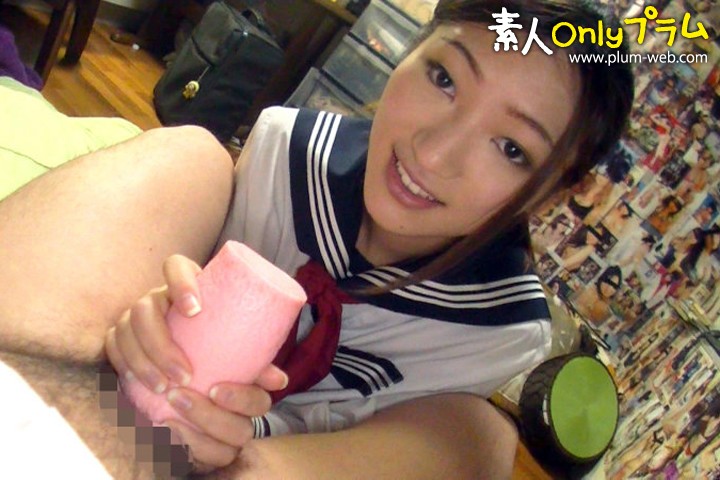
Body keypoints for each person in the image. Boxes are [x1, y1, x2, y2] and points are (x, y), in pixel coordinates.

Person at [0, 0, 634, 478]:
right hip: (106, 377)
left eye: (512, 148)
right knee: (191, 157)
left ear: (555, 192)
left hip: (269, 458)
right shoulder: (281, 151)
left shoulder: (496, 335)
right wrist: (148, 323)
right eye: (443, 78)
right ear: (412, 49)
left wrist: (243, 439)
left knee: (485, 436)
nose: (433, 153)